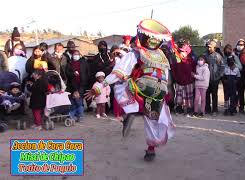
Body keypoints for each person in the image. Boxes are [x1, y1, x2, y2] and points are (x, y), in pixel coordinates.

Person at [85, 19, 175, 162]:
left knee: (156, 121)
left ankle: (150, 147)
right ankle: (134, 116)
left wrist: (169, 90)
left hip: (159, 93)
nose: (153, 40)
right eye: (151, 37)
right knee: (147, 116)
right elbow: (119, 72)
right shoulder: (135, 54)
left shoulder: (162, 56)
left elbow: (166, 74)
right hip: (139, 88)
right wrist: (99, 86)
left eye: (156, 38)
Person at [171, 39, 196, 116]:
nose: (181, 53)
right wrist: (176, 78)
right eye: (180, 51)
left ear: (187, 52)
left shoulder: (190, 60)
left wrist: (192, 78)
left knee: (189, 96)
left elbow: (194, 70)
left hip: (189, 82)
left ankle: (189, 109)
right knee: (179, 96)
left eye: (183, 52)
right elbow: (173, 69)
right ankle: (179, 108)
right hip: (179, 82)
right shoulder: (177, 60)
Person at [65, 50, 90, 121]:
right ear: (72, 56)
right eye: (74, 54)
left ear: (80, 55)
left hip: (81, 85)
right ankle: (73, 115)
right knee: (72, 101)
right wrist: (73, 74)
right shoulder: (69, 64)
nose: (76, 56)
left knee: (79, 101)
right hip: (71, 86)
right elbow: (67, 73)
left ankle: (80, 116)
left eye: (77, 54)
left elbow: (87, 73)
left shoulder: (84, 63)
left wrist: (86, 83)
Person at [204, 39, 224, 116]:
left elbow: (222, 67)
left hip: (215, 79)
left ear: (214, 48)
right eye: (208, 47)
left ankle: (215, 110)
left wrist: (218, 76)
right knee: (207, 94)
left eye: (210, 47)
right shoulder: (204, 55)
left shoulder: (218, 56)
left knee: (214, 95)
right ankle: (207, 109)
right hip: (206, 79)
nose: (209, 49)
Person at [223, 44, 242, 113]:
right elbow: (223, 74)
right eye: (225, 50)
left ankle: (233, 108)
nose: (227, 51)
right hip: (227, 83)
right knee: (226, 96)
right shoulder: (224, 59)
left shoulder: (235, 57)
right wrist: (225, 80)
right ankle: (226, 109)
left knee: (233, 96)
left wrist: (234, 66)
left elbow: (240, 69)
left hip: (233, 84)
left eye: (228, 50)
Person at [234, 39, 245, 113]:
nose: (240, 46)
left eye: (242, 45)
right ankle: (234, 106)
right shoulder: (234, 52)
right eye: (239, 44)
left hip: (242, 75)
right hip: (234, 75)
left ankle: (241, 107)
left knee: (241, 92)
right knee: (234, 92)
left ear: (244, 46)